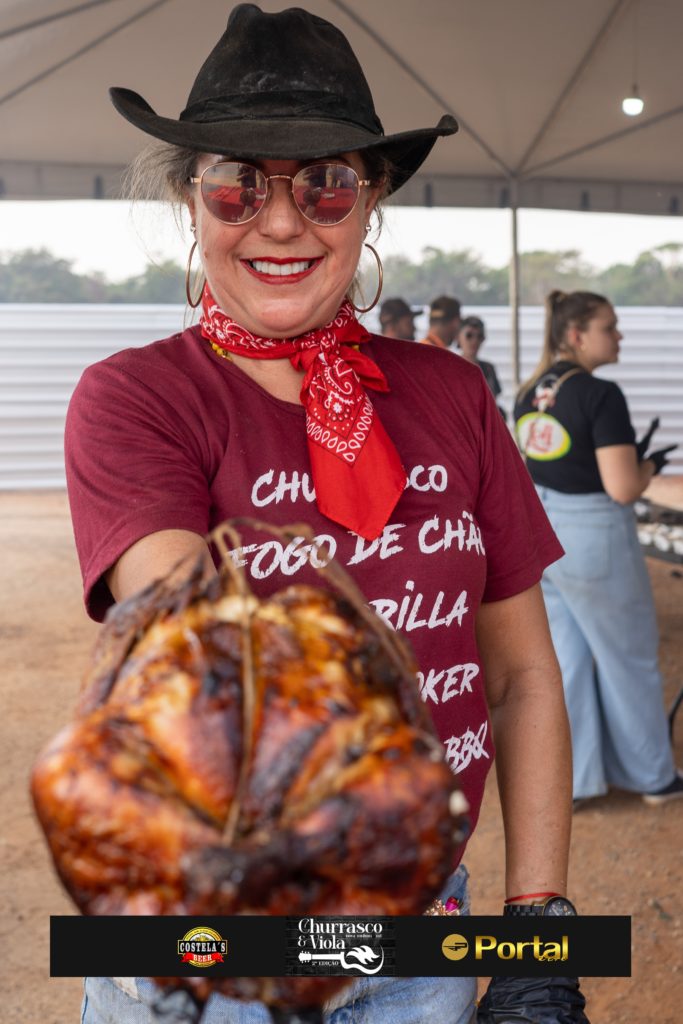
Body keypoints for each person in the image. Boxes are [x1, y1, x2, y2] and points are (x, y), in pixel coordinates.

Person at [65, 6, 587, 1022]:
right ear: (188, 197)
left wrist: (539, 925)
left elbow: (520, 678)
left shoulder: (451, 395)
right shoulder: (139, 398)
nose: (279, 222)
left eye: (325, 183)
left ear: (371, 197)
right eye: (236, 183)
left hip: (420, 941)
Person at [514, 289, 682, 809]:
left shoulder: (528, 391)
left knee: (569, 659)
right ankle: (652, 776)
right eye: (609, 327)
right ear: (576, 335)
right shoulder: (600, 395)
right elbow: (623, 487)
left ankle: (577, 778)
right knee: (629, 657)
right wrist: (648, 468)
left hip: (543, 532)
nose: (620, 336)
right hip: (594, 535)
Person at [456, 315, 506, 417]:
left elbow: (494, 401)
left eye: (479, 336)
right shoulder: (451, 368)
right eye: (469, 335)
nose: (474, 341)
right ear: (458, 337)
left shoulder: (488, 368)